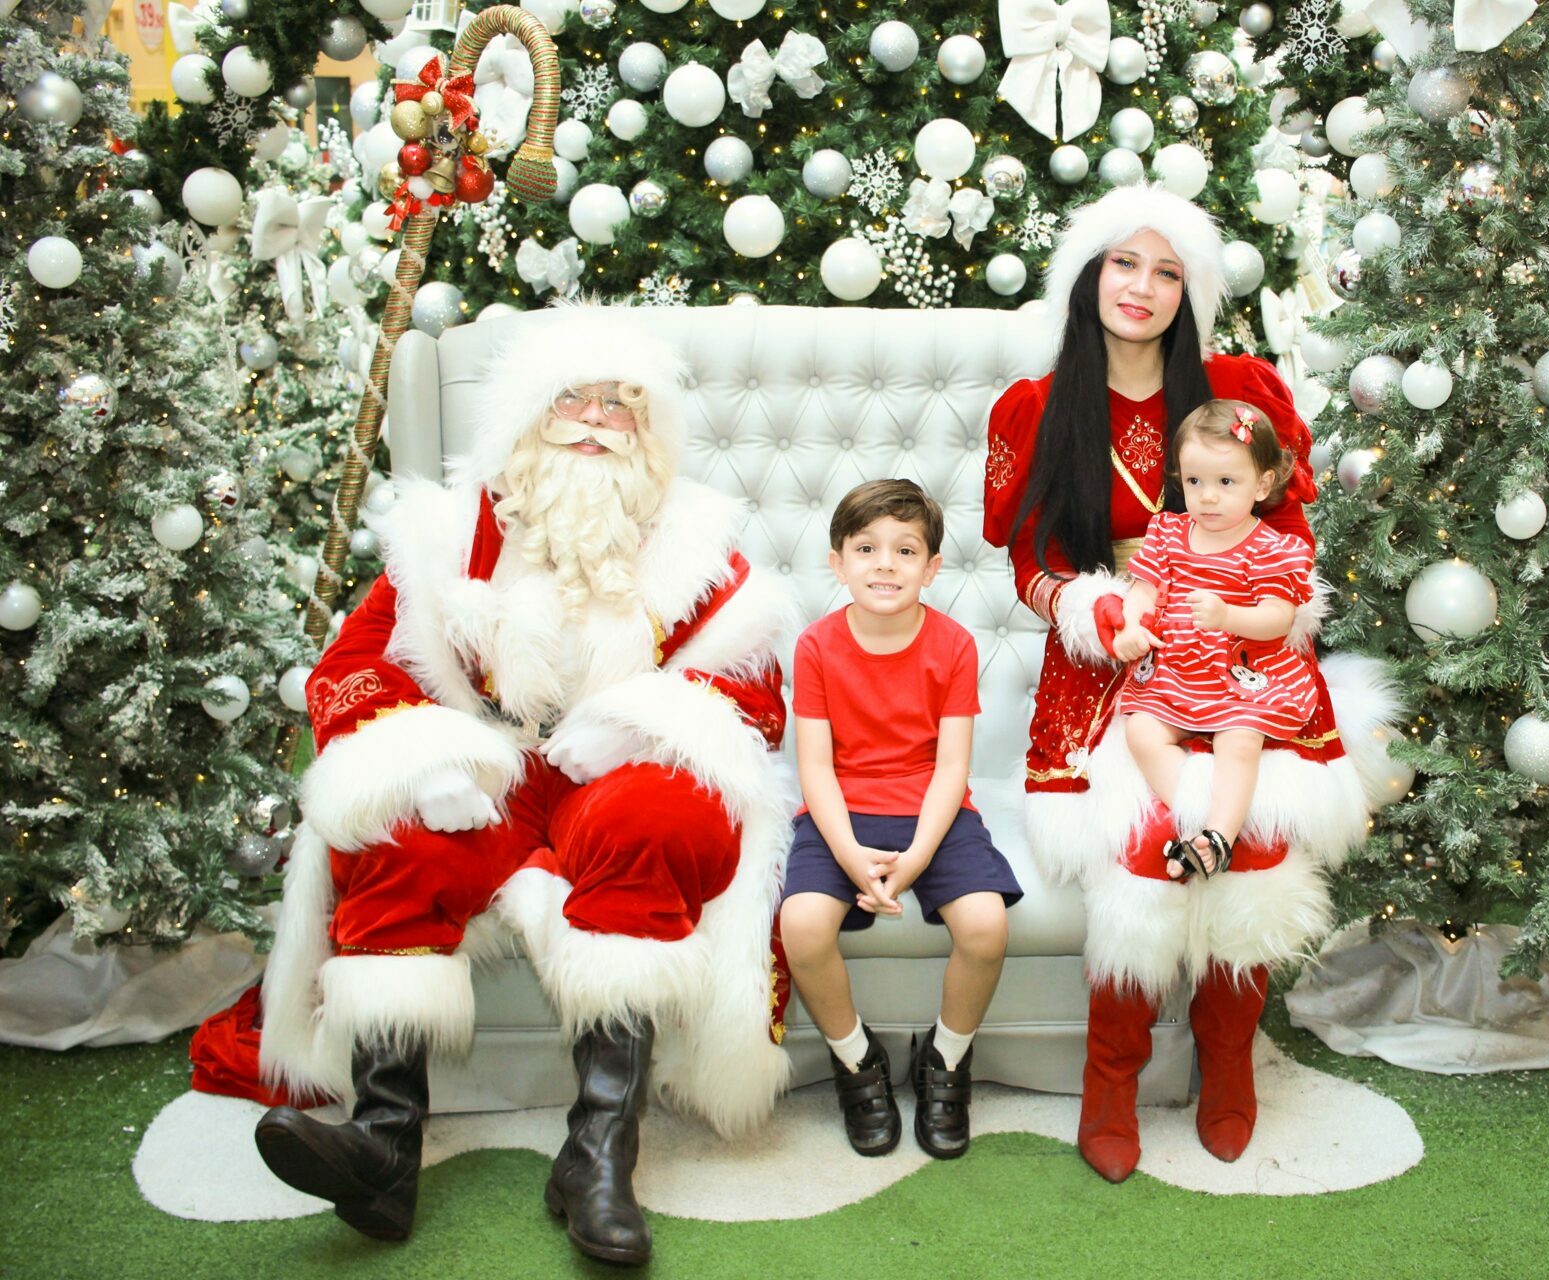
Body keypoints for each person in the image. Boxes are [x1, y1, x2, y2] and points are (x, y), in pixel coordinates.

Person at [251, 306, 794, 1268]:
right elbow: (354, 665)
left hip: (611, 774)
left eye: (620, 406)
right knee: (396, 829)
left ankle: (598, 1158)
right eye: (571, 401)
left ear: (649, 433)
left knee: (663, 817)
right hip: (487, 766)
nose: (594, 422)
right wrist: (425, 755)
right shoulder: (445, 533)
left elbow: (753, 694)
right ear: (527, 418)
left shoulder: (697, 547)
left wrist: (641, 722)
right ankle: (383, 1149)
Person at [981, 185, 1401, 1184]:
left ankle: (1228, 1058)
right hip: (1110, 665)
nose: (1142, 286)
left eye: (1167, 270)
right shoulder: (1037, 406)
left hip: (1240, 650)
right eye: (1124, 263)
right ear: (1088, 276)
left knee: (1253, 842)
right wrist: (1094, 609)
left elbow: (1290, 532)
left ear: (1192, 291)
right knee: (1142, 848)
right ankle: (1110, 1079)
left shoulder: (1239, 390)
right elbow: (1031, 560)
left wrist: (1242, 602)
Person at [780, 479, 1021, 1161]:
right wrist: (849, 854)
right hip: (841, 809)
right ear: (838, 562)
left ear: (932, 567)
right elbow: (815, 768)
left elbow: (951, 768)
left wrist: (914, 858)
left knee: (986, 927)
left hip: (934, 812)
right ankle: (857, 1061)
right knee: (801, 925)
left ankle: (946, 1060)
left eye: (905, 550)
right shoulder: (815, 646)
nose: (885, 564)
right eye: (867, 548)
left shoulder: (955, 645)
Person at [1114, 400, 1322, 882]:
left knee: (1240, 738)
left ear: (1262, 485)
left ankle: (1221, 834)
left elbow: (1278, 618)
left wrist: (1228, 615)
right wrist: (1130, 627)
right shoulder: (1168, 533)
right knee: (1141, 732)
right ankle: (1194, 819)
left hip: (1240, 673)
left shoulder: (1270, 548)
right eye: (1194, 481)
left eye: (1226, 482)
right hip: (1175, 670)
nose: (1207, 497)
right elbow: (1142, 590)